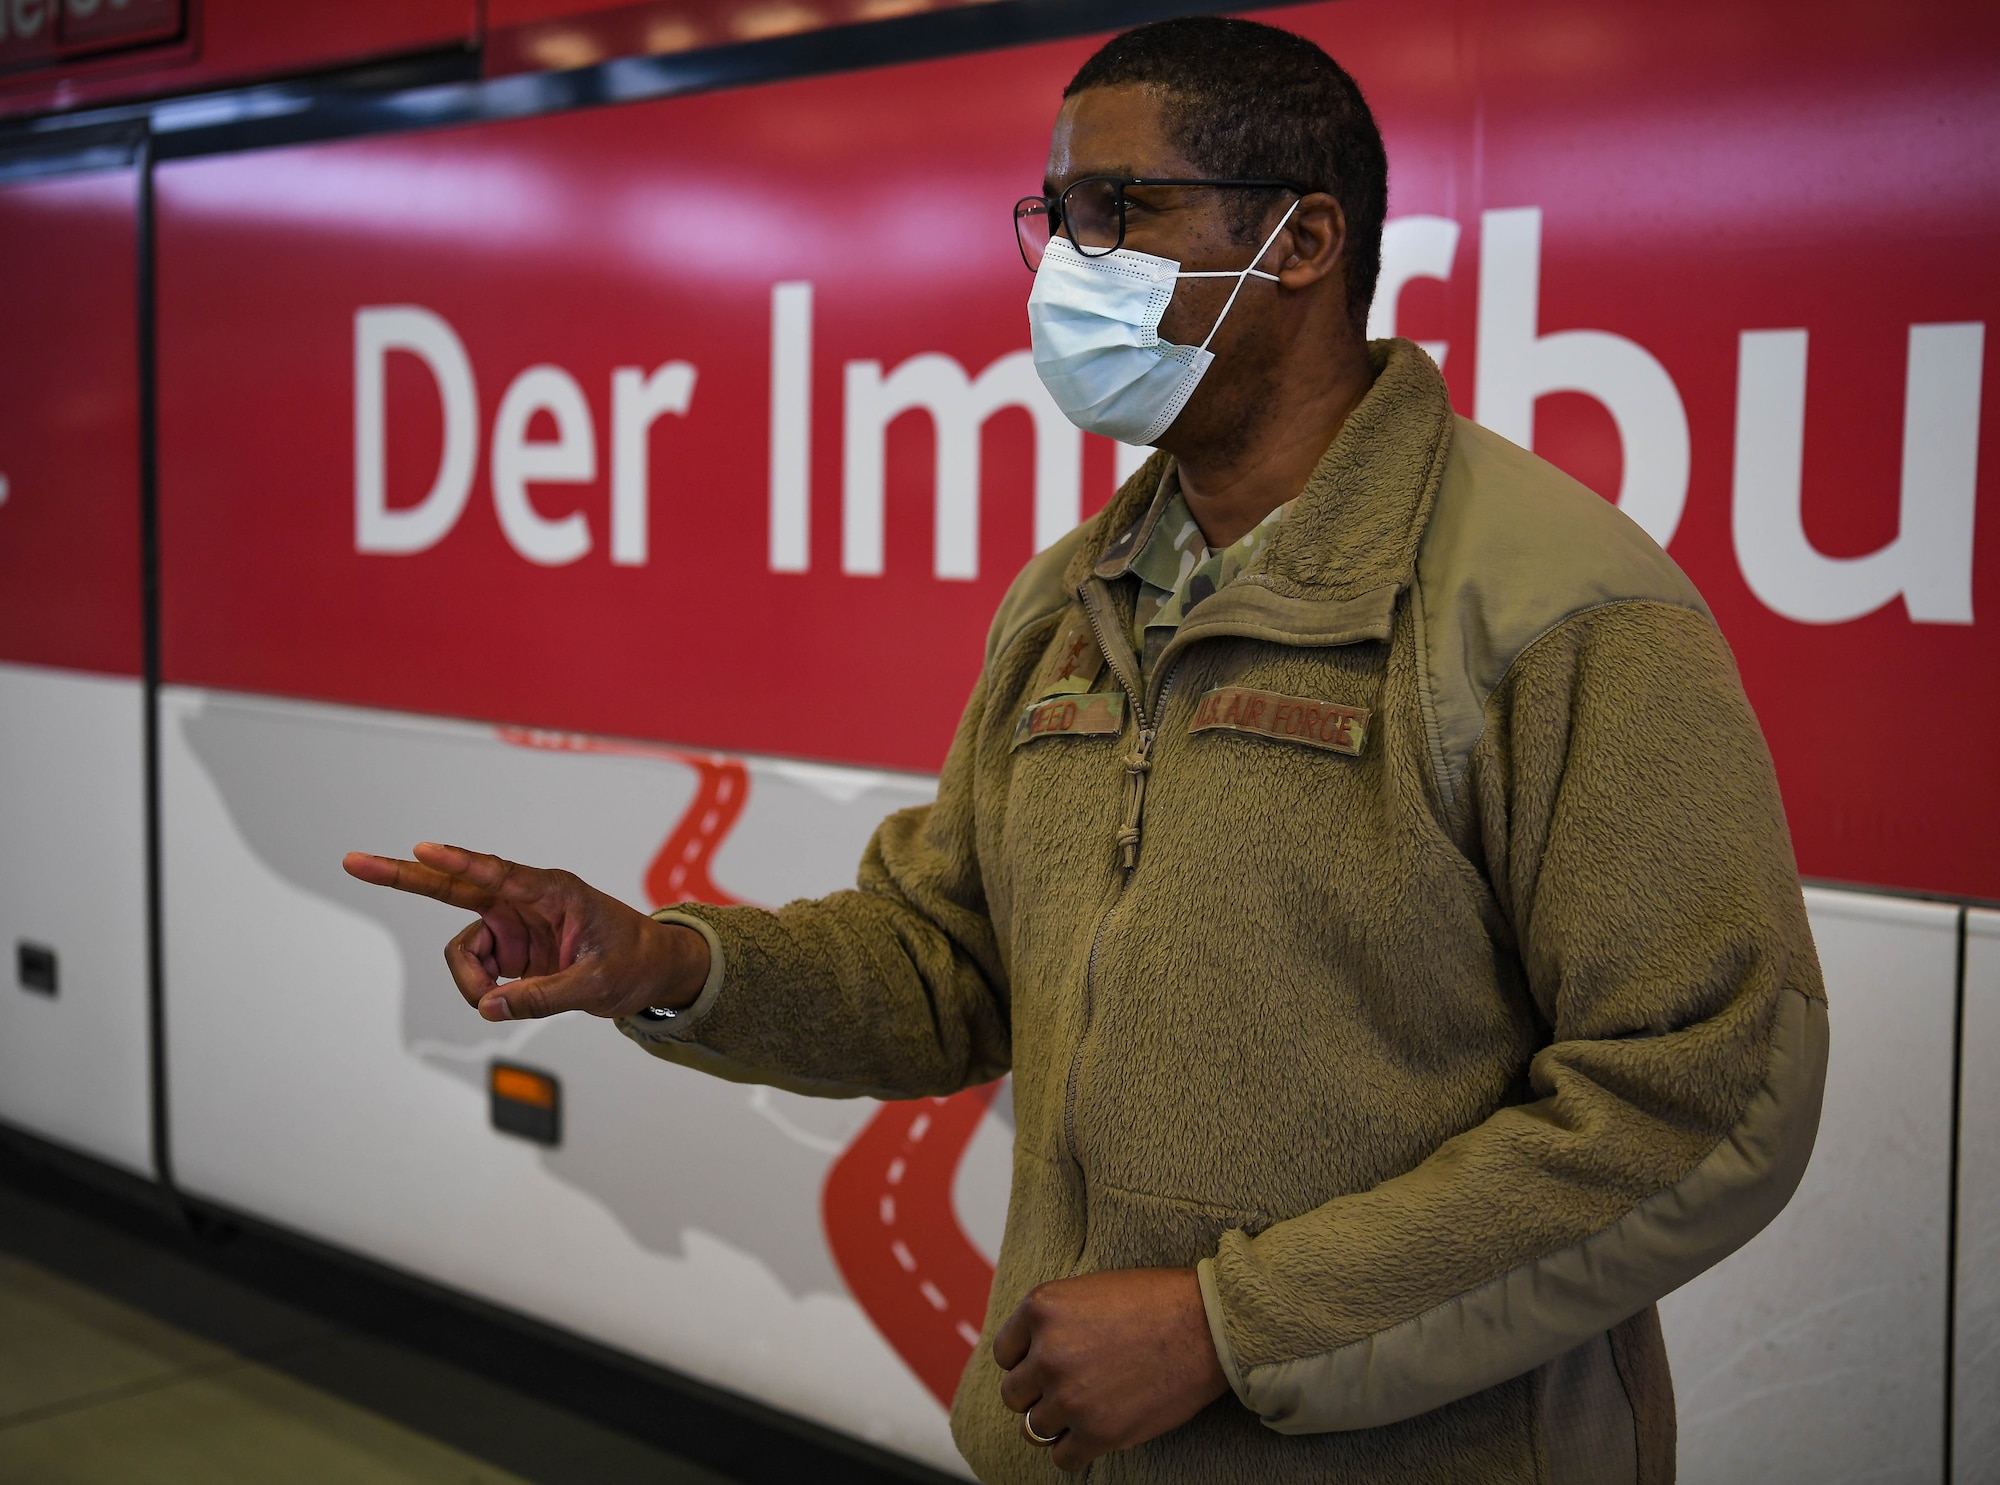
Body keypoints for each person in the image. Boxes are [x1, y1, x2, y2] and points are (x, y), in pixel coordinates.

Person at [345, 16, 1828, 1483]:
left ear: (1303, 243)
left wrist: (1229, 1327)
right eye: (1058, 213)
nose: (1070, 259)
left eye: (1124, 208)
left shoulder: (1555, 607)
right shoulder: (1073, 596)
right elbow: (950, 963)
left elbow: (1697, 1100)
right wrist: (667, 963)